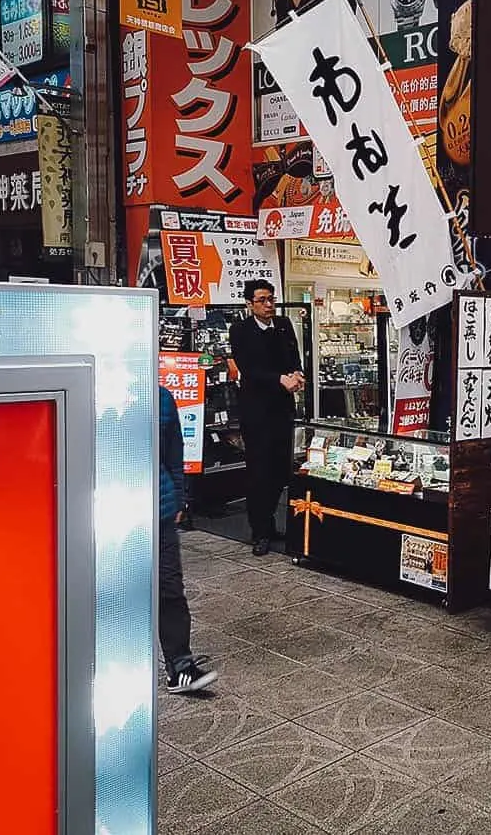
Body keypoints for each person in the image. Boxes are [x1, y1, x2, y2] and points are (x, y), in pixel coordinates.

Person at [229, 280, 305, 556]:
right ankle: (259, 531)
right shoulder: (240, 330)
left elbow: (294, 355)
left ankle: (270, 521)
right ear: (249, 304)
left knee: (280, 470)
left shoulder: (283, 325)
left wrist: (296, 374)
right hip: (257, 411)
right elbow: (249, 369)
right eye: (262, 300)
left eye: (271, 299)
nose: (269, 304)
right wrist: (279, 379)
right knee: (259, 472)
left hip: (282, 409)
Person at [160, 385, 218, 693]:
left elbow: (174, 452)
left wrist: (179, 496)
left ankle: (180, 667)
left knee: (170, 588)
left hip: (159, 510)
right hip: (106, 512)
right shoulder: (91, 394)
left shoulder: (161, 398)